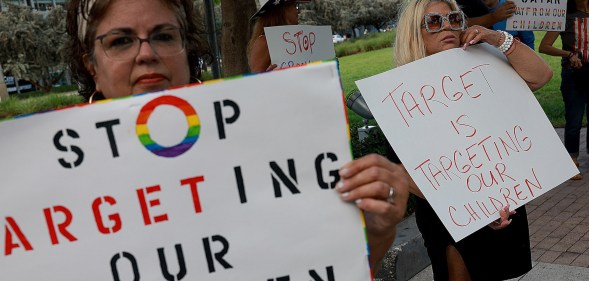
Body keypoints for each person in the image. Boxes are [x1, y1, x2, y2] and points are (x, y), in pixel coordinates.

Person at [65, 0, 409, 273]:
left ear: (187, 49)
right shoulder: (60, 189)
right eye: (121, 41)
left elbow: (328, 265)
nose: (146, 53)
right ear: (91, 64)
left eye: (164, 35)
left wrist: (376, 232)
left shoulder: (265, 145)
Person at [394, 0, 552, 280]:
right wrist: (473, 206)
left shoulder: (486, 60)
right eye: (434, 21)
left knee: (495, 273)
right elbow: (404, 173)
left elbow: (541, 76)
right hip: (448, 208)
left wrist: (496, 37)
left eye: (454, 18)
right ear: (414, 33)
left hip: (499, 193)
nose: (447, 27)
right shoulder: (399, 90)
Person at [539, 0, 589, 181]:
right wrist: (568, 54)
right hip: (574, 74)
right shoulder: (563, 16)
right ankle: (572, 161)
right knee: (574, 119)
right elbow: (544, 46)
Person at [247, 0, 309, 73]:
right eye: (295, 6)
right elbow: (254, 79)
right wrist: (268, 75)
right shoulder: (264, 41)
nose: (298, 11)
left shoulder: (297, 41)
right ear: (282, 11)